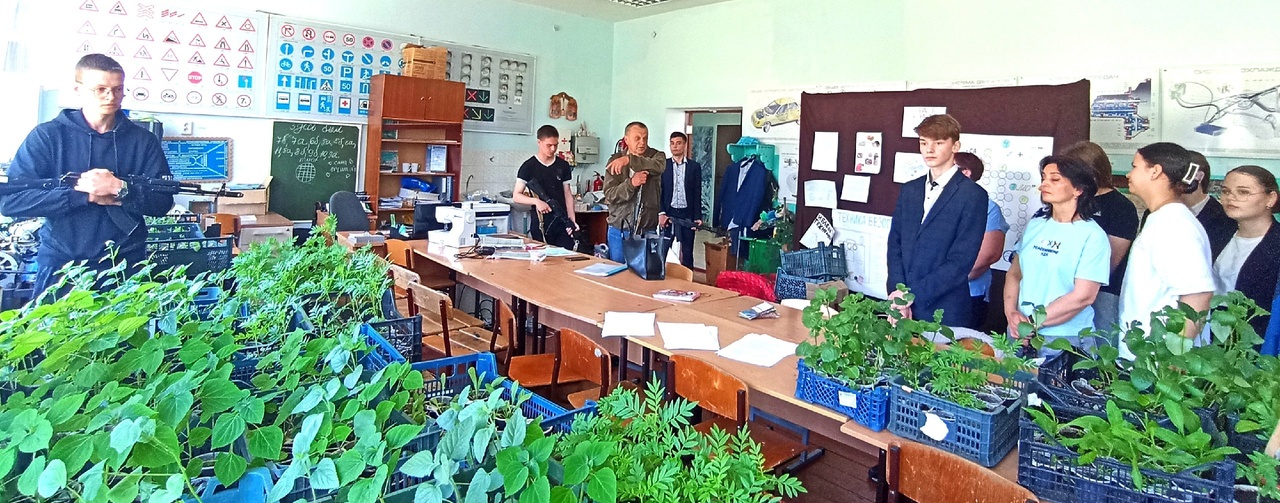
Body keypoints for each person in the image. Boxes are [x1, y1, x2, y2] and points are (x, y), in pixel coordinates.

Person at [0, 54, 173, 298]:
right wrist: (85, 195)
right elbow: (11, 202)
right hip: (62, 264)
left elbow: (163, 202)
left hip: (126, 264)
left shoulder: (143, 141)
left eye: (118, 89)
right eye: (100, 89)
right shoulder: (48, 136)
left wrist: (120, 189)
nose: (111, 97)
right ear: (78, 90)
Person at [886, 115, 988, 328]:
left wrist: (911, 295)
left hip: (944, 310)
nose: (929, 150)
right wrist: (898, 294)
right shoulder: (910, 189)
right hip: (901, 305)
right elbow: (895, 244)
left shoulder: (973, 195)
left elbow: (961, 261)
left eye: (938, 143)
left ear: (955, 146)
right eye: (923, 143)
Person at [1003, 156, 1111, 355]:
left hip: (1065, 339)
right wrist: (1011, 314)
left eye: (1054, 179)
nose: (1044, 184)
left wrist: (1033, 323)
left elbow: (1083, 296)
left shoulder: (1093, 235)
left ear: (1078, 189)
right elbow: (1014, 274)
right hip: (1019, 332)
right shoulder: (1035, 225)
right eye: (1043, 178)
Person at [1119, 142, 1215, 359]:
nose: (1128, 174)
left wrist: (1175, 356)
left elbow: (1197, 295)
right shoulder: (1162, 218)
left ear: (1155, 171)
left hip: (1160, 362)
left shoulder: (1174, 225)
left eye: (1135, 166)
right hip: (1146, 357)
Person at [1060, 141, 1139, 334]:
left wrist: (1079, 288)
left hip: (1102, 293)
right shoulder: (1071, 199)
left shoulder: (1121, 207)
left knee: (1099, 343)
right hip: (1059, 288)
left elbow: (1110, 261)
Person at [1210, 166, 1280, 339]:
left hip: (1257, 340)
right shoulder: (1217, 234)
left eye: (1243, 192)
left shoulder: (1276, 243)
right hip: (1210, 333)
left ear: (1271, 198)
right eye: (1226, 191)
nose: (1231, 197)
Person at [954, 152, 1008, 326]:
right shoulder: (932, 202)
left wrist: (946, 280)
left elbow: (987, 255)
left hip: (968, 293)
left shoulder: (988, 207)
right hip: (929, 290)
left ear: (966, 173)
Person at [603, 122, 665, 263]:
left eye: (645, 138)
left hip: (647, 229)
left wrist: (630, 160)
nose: (642, 142)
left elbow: (659, 166)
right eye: (637, 138)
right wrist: (631, 184)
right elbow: (610, 194)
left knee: (645, 273)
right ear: (626, 139)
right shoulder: (614, 161)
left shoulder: (656, 157)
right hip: (620, 228)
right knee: (618, 271)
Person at [512, 124, 577, 250]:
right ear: (539, 142)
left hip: (561, 221)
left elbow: (567, 194)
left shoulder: (563, 165)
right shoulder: (528, 166)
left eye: (555, 145)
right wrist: (536, 202)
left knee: (566, 256)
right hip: (540, 222)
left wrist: (572, 220)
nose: (553, 149)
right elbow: (516, 196)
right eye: (549, 145)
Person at [659, 132, 703, 268]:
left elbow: (697, 192)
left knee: (688, 252)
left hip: (687, 214)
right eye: (672, 143)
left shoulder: (694, 167)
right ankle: (659, 275)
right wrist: (661, 213)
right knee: (663, 249)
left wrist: (697, 216)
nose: (675, 146)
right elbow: (659, 191)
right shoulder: (663, 166)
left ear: (685, 145)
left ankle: (688, 278)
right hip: (668, 213)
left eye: (678, 143)